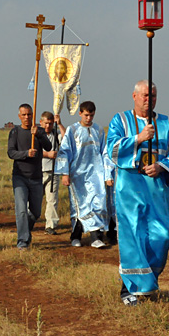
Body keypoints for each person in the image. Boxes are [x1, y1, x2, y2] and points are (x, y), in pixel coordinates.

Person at [106, 80, 169, 306]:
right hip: (129, 190)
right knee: (133, 236)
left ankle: (147, 282)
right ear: (134, 96)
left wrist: (161, 167)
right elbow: (111, 150)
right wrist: (139, 138)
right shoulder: (119, 120)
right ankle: (129, 288)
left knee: (162, 237)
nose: (148, 99)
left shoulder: (167, 124)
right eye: (144, 95)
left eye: (152, 96)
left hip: (156, 191)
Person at [55, 101, 114, 248]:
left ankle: (96, 237)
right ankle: (76, 236)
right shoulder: (72, 130)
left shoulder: (99, 130)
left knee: (98, 204)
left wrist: (107, 175)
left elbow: (105, 153)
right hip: (77, 174)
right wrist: (64, 173)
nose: (88, 118)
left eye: (91, 115)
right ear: (80, 113)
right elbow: (65, 151)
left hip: (96, 174)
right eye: (86, 115)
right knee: (80, 205)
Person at [7, 103, 52, 250]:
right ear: (19, 116)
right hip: (20, 176)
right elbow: (11, 153)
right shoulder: (15, 132)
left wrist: (39, 134)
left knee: (36, 212)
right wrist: (26, 153)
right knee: (21, 210)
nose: (27, 117)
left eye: (29, 114)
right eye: (24, 115)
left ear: (33, 115)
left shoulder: (38, 131)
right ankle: (23, 241)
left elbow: (48, 147)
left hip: (36, 177)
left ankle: (26, 230)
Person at [40, 111, 65, 235]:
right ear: (41, 122)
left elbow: (66, 140)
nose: (47, 126)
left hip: (53, 171)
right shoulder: (36, 135)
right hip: (38, 171)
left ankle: (50, 225)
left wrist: (59, 124)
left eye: (50, 124)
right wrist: (47, 154)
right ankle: (28, 223)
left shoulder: (56, 134)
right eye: (45, 123)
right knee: (34, 200)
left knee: (52, 200)